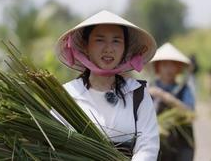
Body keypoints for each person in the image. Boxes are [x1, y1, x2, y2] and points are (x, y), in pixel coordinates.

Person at [56, 10, 160, 160]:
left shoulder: (138, 93)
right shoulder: (67, 94)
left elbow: (148, 145)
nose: (109, 49)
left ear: (125, 49)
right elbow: (55, 144)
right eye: (100, 40)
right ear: (86, 46)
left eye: (116, 41)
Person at [148, 43, 195, 161]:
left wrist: (167, 98)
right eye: (165, 65)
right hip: (156, 143)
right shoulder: (149, 88)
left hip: (182, 143)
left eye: (173, 65)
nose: (169, 69)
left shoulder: (184, 89)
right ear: (158, 67)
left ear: (179, 68)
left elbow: (191, 113)